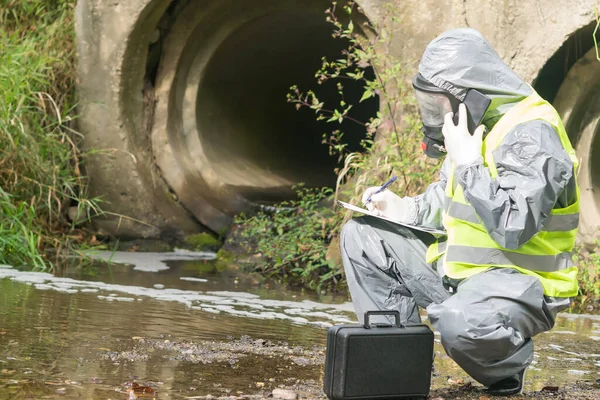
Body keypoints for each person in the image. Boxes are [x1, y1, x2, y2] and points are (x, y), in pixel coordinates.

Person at [339, 28, 579, 396]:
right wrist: (404, 208)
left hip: (520, 287)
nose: (436, 114)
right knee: (363, 236)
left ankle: (505, 369)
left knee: (461, 320)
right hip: (463, 277)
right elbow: (449, 200)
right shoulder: (477, 124)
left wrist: (469, 164)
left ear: (472, 93)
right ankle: (396, 371)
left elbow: (514, 225)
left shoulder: (533, 132)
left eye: (439, 104)